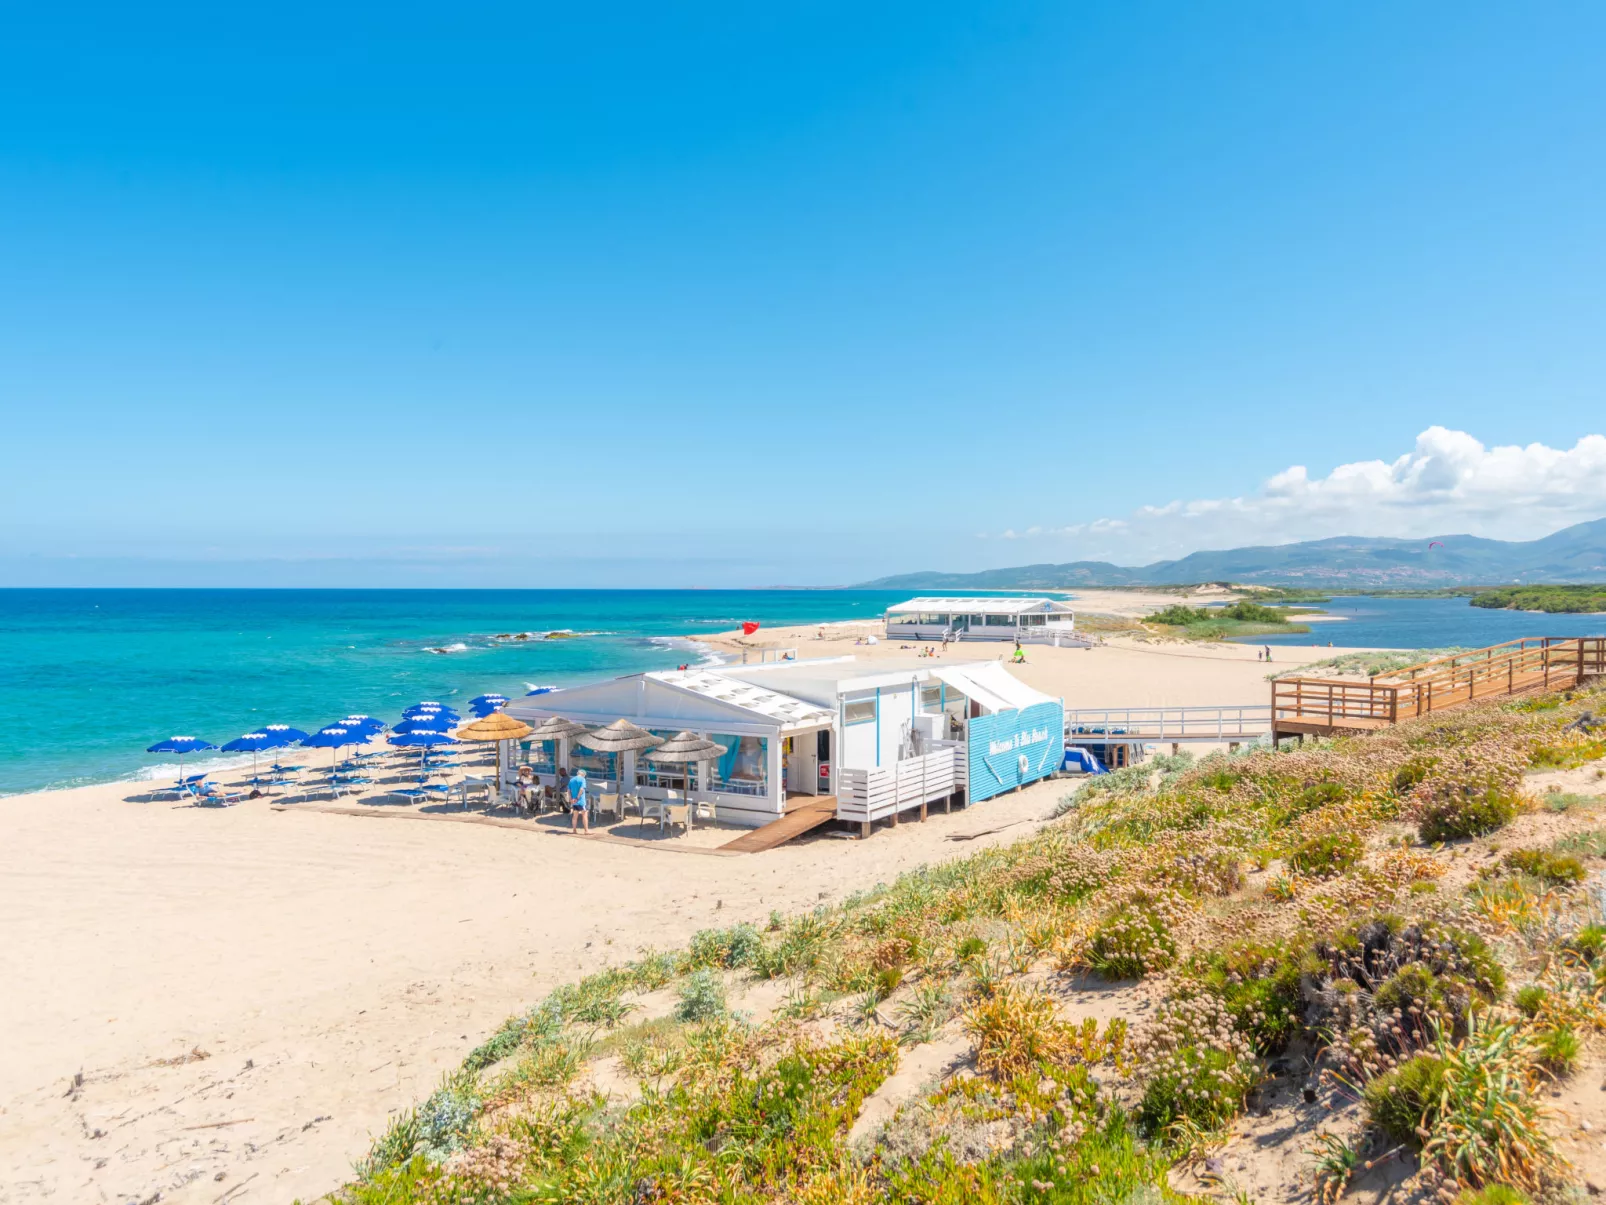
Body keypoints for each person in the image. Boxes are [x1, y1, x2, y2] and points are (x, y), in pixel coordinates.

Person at [568, 767, 589, 833]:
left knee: (575, 816)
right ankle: (586, 831)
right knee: (584, 814)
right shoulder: (582, 779)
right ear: (583, 775)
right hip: (580, 801)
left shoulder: (571, 780)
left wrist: (571, 798)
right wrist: (577, 798)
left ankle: (574, 830)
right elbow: (582, 789)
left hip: (574, 801)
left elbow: (568, 790)